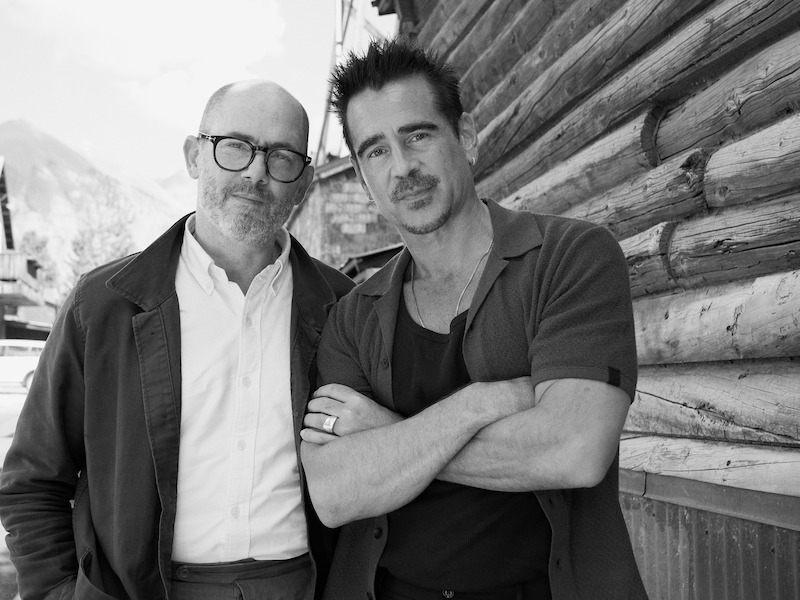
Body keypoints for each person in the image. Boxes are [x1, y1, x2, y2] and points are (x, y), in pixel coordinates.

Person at [300, 39, 648, 600]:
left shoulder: (570, 257)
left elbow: (575, 450)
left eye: (417, 135)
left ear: (465, 136)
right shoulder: (353, 317)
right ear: (363, 178)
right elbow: (335, 491)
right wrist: (478, 404)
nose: (403, 167)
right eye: (376, 151)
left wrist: (389, 437)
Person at [0, 80, 353, 600]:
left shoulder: (344, 308)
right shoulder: (103, 305)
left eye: (282, 157)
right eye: (235, 146)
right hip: (142, 589)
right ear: (194, 156)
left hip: (302, 586)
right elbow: (34, 480)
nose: (255, 172)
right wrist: (58, 593)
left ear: (302, 181)